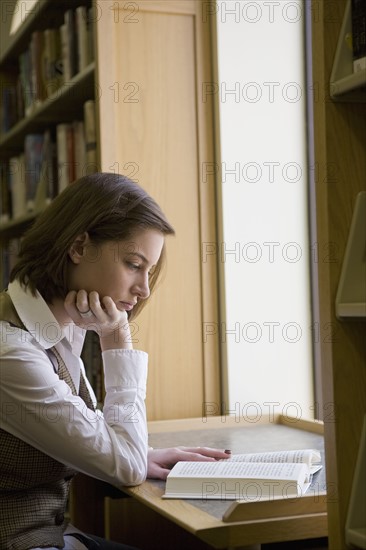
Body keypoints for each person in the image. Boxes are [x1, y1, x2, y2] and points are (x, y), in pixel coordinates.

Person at [0, 173, 230, 550]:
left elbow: (98, 439)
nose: (143, 290)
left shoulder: (59, 327)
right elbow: (123, 465)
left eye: (150, 272)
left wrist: (146, 454)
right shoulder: (13, 352)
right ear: (79, 247)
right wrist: (115, 339)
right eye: (134, 265)